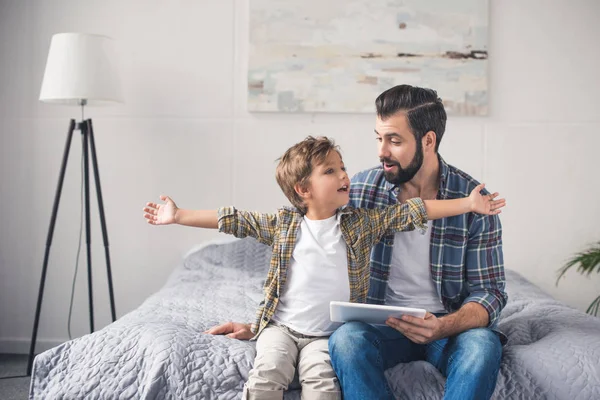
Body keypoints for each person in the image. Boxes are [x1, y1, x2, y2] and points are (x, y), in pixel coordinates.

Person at [143, 136, 505, 400]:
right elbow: (231, 219)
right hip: (280, 329)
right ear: (303, 189)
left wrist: (468, 204)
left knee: (322, 387)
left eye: (342, 167)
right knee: (267, 375)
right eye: (331, 170)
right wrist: (179, 216)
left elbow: (416, 211)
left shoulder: (360, 224)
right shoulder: (282, 226)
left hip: (325, 337)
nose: (345, 175)